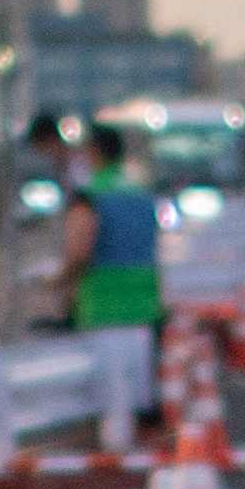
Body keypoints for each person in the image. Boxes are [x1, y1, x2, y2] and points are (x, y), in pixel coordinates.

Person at [65, 122, 167, 341]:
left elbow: (79, 253)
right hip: (145, 303)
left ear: (94, 152)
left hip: (103, 304)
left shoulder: (90, 197)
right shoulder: (143, 194)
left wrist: (60, 280)